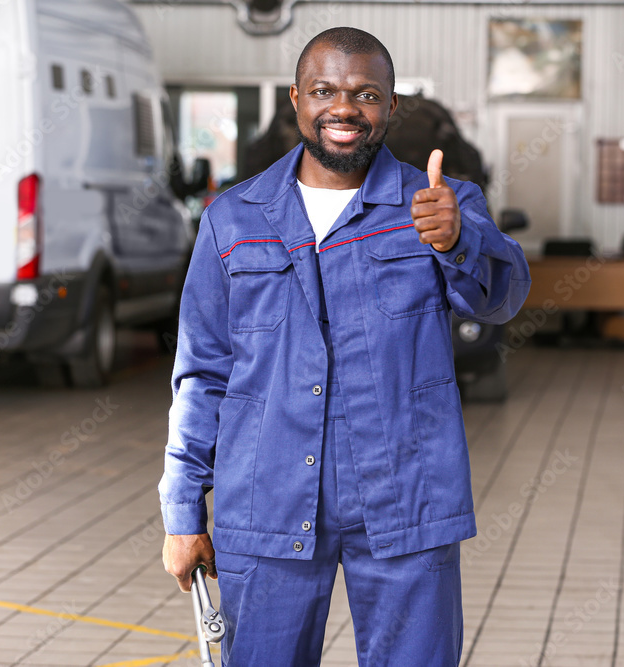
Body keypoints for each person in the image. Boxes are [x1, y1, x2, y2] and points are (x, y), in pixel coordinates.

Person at [160, 27, 530, 666]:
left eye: (365, 93)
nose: (344, 108)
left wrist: (459, 240)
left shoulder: (439, 204)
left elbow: (502, 299)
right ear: (298, 100)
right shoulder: (236, 216)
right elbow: (202, 372)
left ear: (390, 107)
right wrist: (183, 507)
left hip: (406, 496)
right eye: (325, 90)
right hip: (266, 496)